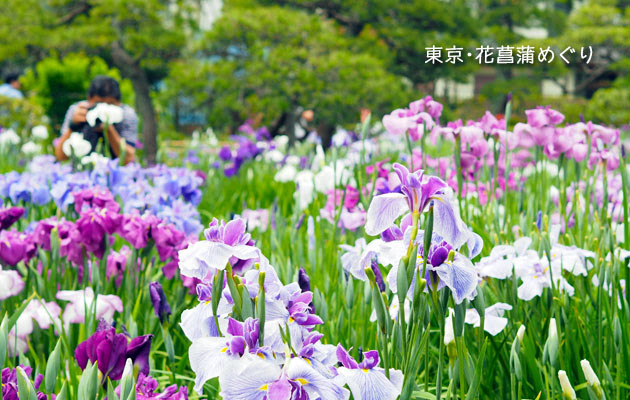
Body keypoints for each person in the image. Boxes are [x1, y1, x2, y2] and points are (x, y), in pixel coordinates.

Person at [54, 76, 137, 164]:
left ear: (119, 102)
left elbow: (128, 159)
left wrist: (108, 129)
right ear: (88, 100)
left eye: (110, 104)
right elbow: (60, 156)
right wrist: (73, 127)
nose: (103, 109)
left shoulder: (126, 114)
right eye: (99, 103)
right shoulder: (79, 110)